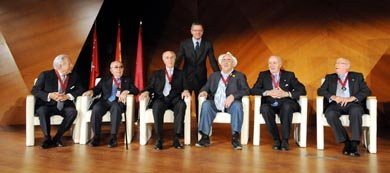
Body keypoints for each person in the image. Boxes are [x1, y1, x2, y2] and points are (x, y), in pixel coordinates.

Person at [318, 57, 371, 157]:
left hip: (352, 103)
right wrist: (333, 97)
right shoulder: (330, 77)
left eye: (340, 63)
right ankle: (346, 142)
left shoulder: (357, 76)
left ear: (347, 66)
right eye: (336, 63)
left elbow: (366, 91)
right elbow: (320, 91)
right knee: (330, 114)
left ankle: (355, 143)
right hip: (336, 104)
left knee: (356, 111)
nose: (336, 65)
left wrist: (352, 98)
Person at [250, 55, 306, 151]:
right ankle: (276, 139)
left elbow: (302, 90)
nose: (272, 65)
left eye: (274, 63)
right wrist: (268, 92)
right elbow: (253, 90)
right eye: (270, 63)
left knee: (287, 106)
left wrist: (287, 93)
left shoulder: (289, 75)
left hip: (286, 102)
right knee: (264, 108)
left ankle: (285, 140)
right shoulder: (263, 75)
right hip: (270, 103)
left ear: (280, 64)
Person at [195, 52, 249, 150]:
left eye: (229, 60)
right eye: (223, 60)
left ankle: (235, 137)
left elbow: (246, 90)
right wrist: (203, 92)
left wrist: (233, 96)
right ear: (220, 63)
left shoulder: (239, 76)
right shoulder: (214, 76)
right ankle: (205, 137)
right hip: (215, 104)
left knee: (237, 105)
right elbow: (205, 87)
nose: (226, 62)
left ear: (233, 63)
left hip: (231, 105)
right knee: (206, 104)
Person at [139, 51, 191, 150]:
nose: (170, 60)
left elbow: (186, 86)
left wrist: (186, 90)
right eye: (167, 58)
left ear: (175, 59)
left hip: (175, 99)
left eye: (172, 57)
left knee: (181, 105)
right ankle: (159, 139)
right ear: (164, 60)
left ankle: (176, 138)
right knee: (157, 106)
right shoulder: (156, 74)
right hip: (161, 99)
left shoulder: (181, 73)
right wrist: (146, 92)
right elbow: (150, 87)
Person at [32, 54, 85, 149]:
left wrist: (68, 96)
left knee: (72, 112)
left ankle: (57, 138)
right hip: (47, 104)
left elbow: (81, 89)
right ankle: (47, 138)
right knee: (42, 111)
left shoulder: (74, 76)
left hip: (64, 105)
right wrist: (49, 95)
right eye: (69, 63)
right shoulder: (45, 75)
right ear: (60, 66)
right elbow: (35, 90)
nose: (72, 65)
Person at [83, 61, 139, 148]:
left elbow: (136, 90)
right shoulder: (105, 79)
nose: (119, 69)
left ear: (123, 69)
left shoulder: (127, 79)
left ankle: (113, 137)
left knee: (116, 107)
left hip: (118, 102)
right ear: (111, 70)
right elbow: (97, 89)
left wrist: (126, 91)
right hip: (105, 101)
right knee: (96, 108)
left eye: (121, 67)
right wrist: (91, 91)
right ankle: (96, 136)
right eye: (116, 67)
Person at [175, 22, 220, 118]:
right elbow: (178, 59)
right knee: (184, 103)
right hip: (186, 77)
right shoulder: (184, 43)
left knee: (201, 102)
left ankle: (201, 128)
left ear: (202, 32)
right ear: (191, 31)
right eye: (195, 30)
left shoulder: (207, 44)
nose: (197, 32)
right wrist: (172, 72)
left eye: (199, 30)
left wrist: (219, 74)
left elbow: (212, 60)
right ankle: (182, 128)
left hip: (201, 77)